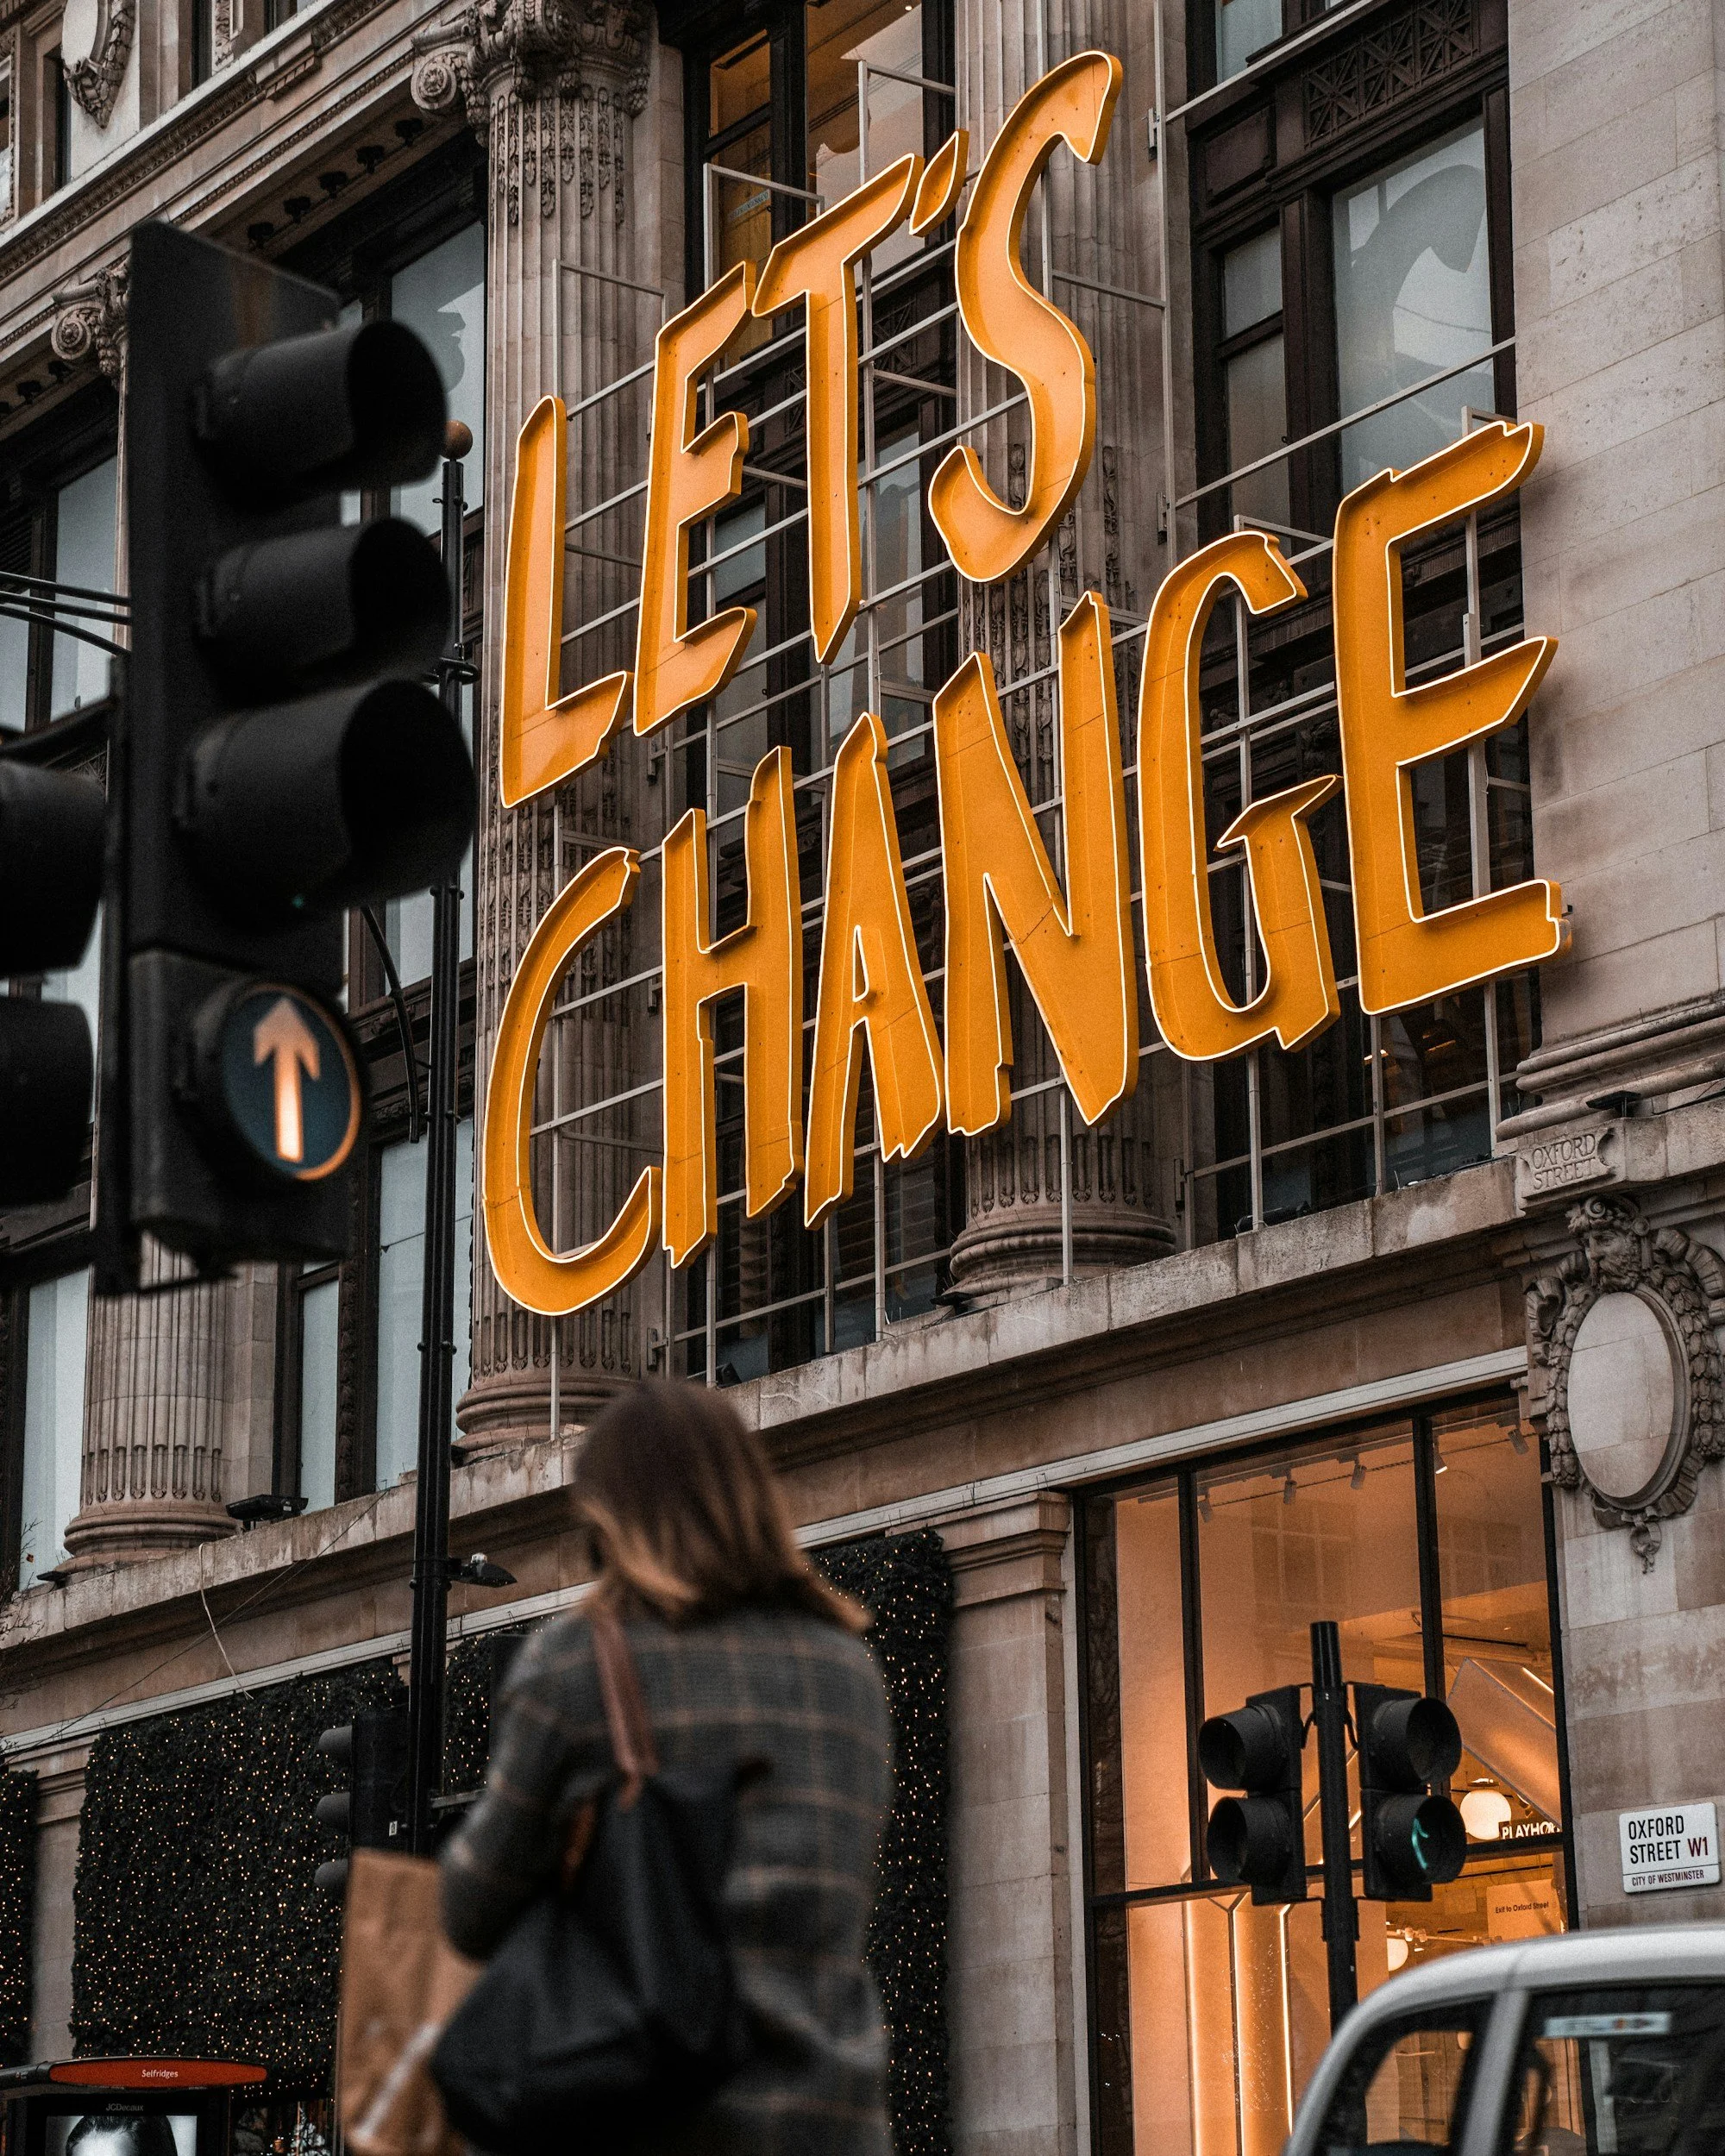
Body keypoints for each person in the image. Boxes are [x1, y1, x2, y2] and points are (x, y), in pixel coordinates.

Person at [440, 1379, 893, 2156]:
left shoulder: (578, 1661)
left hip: (653, 2121)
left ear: (605, 1515)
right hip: (832, 2124)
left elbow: (471, 1909)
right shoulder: (847, 1667)